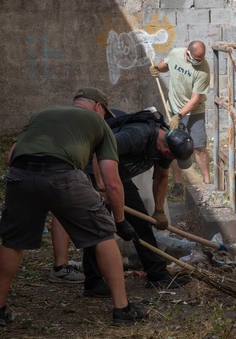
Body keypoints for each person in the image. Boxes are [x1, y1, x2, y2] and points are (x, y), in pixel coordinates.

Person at [0, 88, 148, 328]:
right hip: (63, 175)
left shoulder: (42, 114)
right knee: (103, 234)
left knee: (12, 241)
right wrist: (120, 220)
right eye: (105, 114)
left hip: (20, 176)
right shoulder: (98, 122)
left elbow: (11, 157)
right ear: (98, 107)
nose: (105, 118)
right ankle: (122, 309)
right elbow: (113, 183)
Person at [80, 110, 196, 296]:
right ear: (167, 151)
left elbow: (161, 176)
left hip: (120, 177)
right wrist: (101, 185)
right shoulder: (137, 136)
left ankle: (157, 275)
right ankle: (93, 283)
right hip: (96, 174)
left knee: (141, 224)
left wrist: (159, 211)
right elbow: (97, 148)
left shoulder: (166, 144)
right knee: (99, 227)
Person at [154, 41, 211, 187]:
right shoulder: (175, 54)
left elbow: (195, 99)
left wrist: (178, 116)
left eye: (201, 59)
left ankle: (207, 182)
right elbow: (165, 64)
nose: (199, 62)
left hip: (194, 113)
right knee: (173, 147)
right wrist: (156, 69)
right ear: (187, 52)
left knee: (199, 146)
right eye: (196, 59)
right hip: (172, 108)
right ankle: (178, 184)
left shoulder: (203, 70)